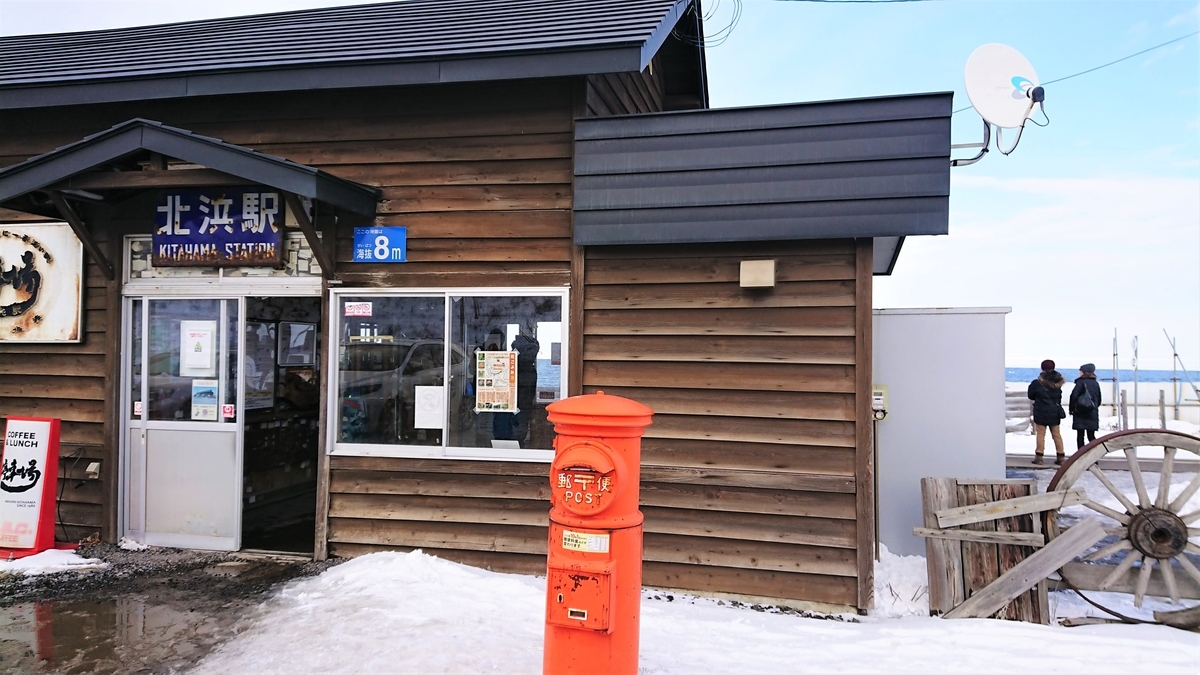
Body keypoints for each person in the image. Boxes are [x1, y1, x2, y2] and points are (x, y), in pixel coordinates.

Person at [1028, 359, 1066, 465]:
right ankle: (1060, 456)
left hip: (1041, 411)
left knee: (1040, 434)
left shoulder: (1037, 383)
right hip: (1054, 412)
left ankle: (1039, 457)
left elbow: (1030, 395)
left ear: (1042, 368)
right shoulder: (1058, 383)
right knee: (1056, 434)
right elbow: (1059, 397)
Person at [1069, 363, 1103, 449]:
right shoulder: (1095, 383)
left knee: (1080, 436)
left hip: (1080, 412)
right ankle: (1094, 455)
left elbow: (1073, 396)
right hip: (1092, 412)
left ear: (1084, 372)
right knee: (1091, 436)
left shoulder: (1080, 382)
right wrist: (1093, 407)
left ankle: (1081, 456)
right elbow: (1098, 399)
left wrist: (1072, 409)